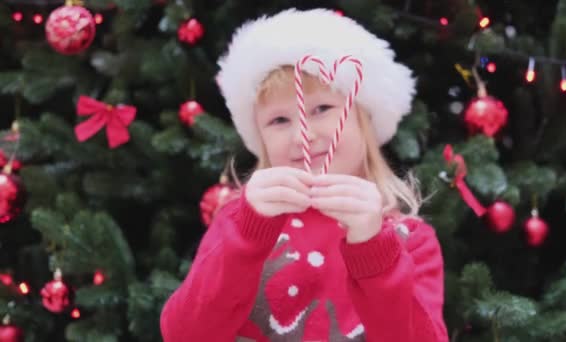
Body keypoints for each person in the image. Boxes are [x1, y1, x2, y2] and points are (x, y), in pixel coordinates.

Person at [160, 8, 448, 342]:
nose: (303, 136)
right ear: (261, 138)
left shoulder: (409, 239)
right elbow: (185, 335)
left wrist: (374, 252)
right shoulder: (239, 222)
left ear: (363, 121)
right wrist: (248, 233)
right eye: (279, 121)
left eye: (321, 109)